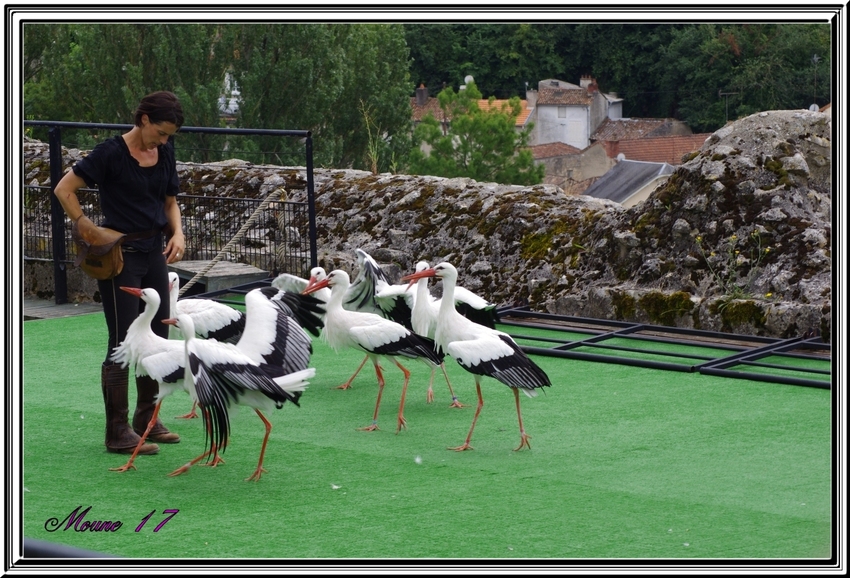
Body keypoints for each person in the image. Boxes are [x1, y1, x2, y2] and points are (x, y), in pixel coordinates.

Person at [54, 91, 186, 455]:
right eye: (160, 132)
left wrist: (178, 232)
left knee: (158, 338)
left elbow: (170, 202)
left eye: (169, 135)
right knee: (123, 342)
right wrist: (85, 225)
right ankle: (117, 431)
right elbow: (64, 189)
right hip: (119, 257)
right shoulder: (109, 153)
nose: (164, 140)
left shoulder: (165, 151)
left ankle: (147, 419)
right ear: (143, 119)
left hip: (154, 252)